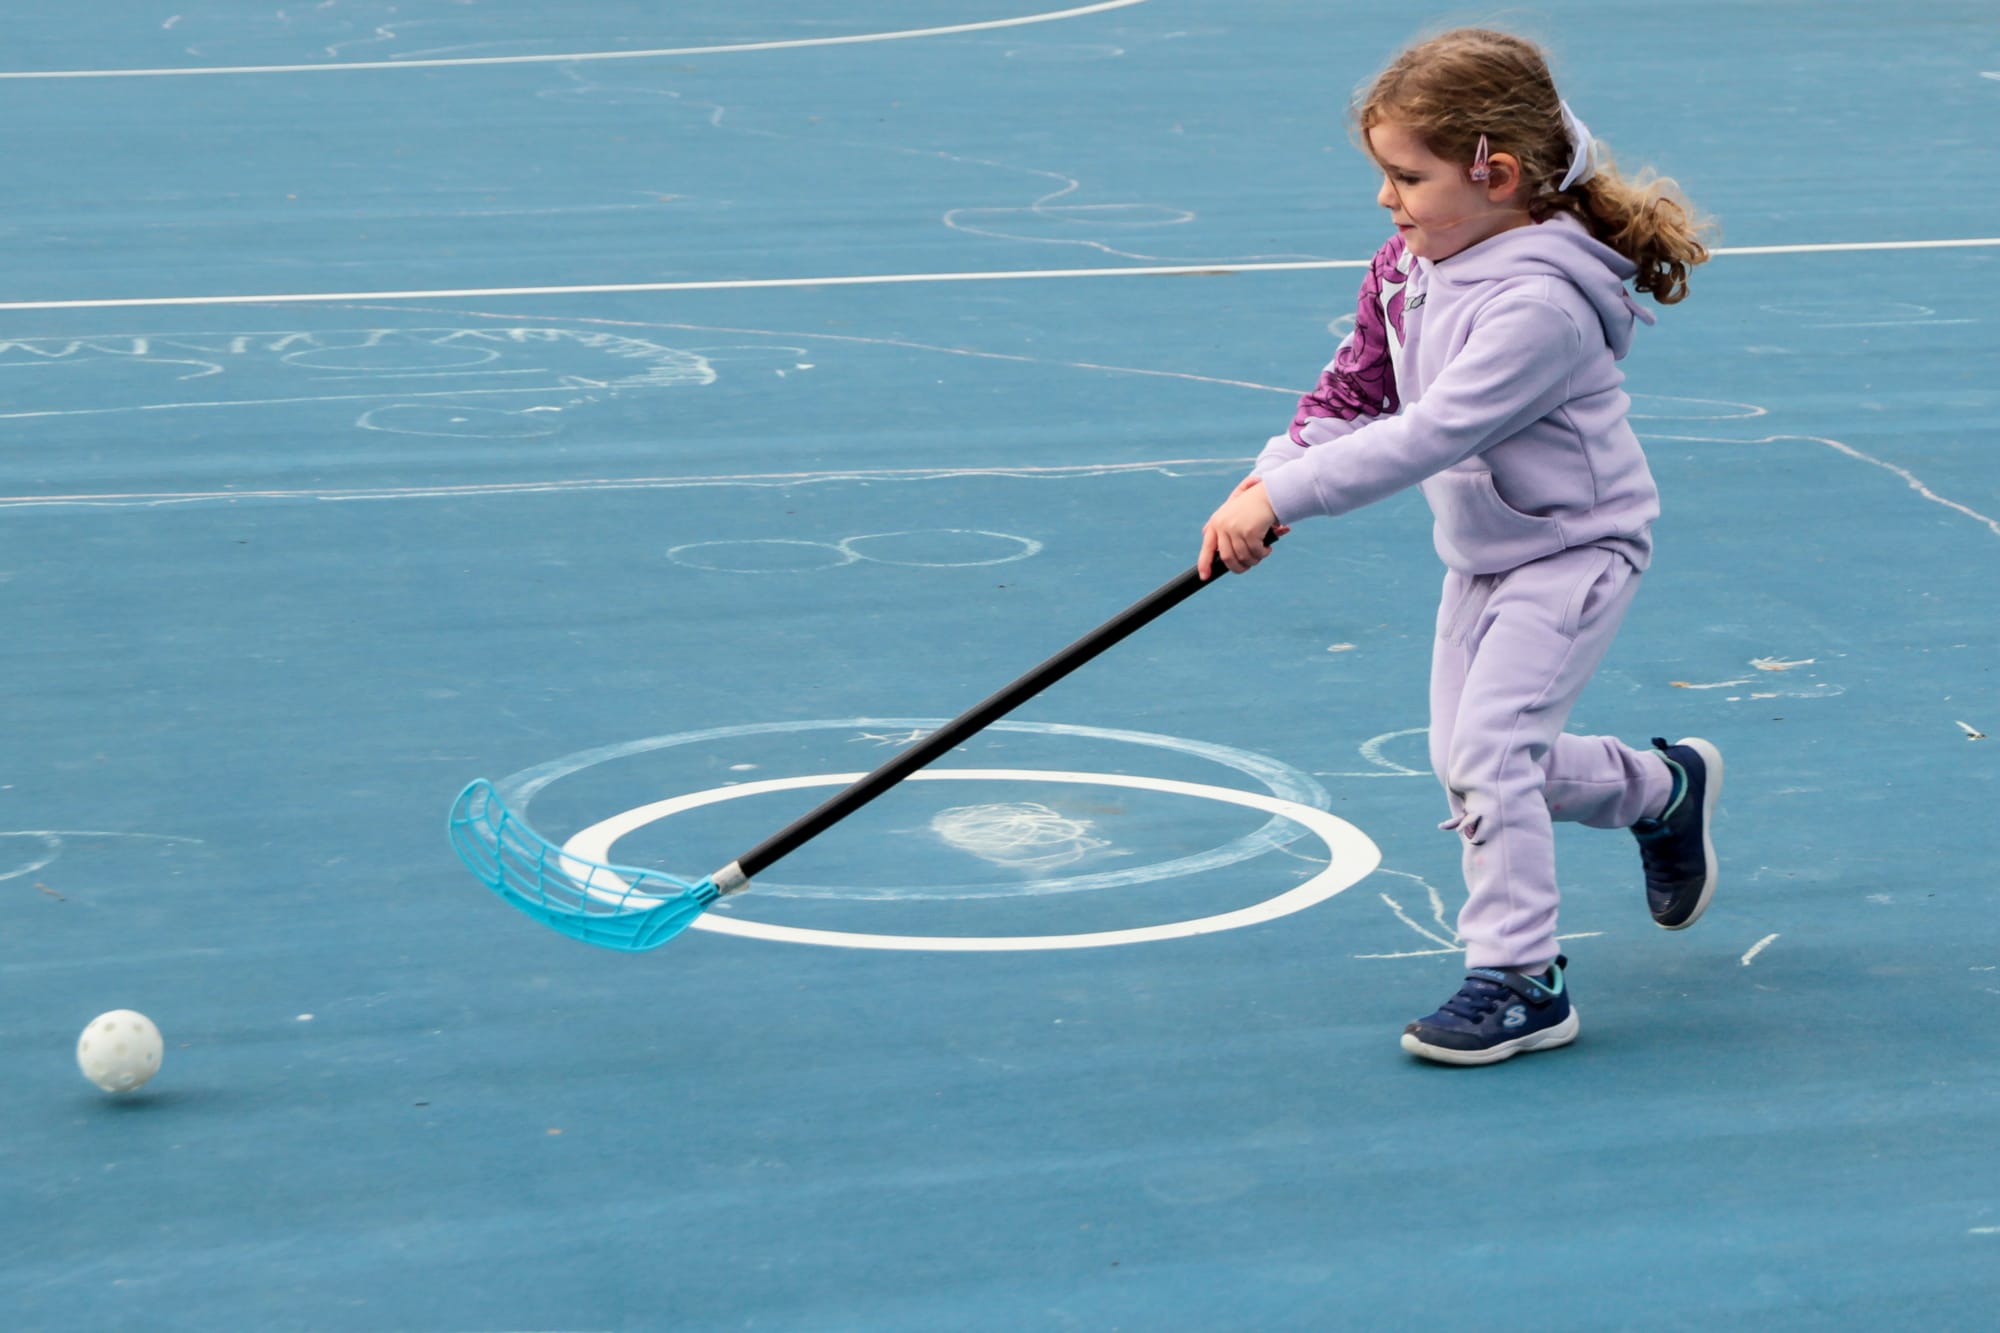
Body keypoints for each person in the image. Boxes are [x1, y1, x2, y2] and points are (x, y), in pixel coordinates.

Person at [1198, 27, 1722, 1065]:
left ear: (1496, 175)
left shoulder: (1538, 307)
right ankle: (1661, 791)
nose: (1385, 202)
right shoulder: (1409, 263)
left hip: (1575, 548)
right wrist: (1264, 480)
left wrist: (1287, 498)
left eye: (1405, 176)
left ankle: (1521, 975)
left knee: (1488, 755)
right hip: (1485, 550)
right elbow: (1355, 390)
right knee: (1471, 762)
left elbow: (1431, 432)